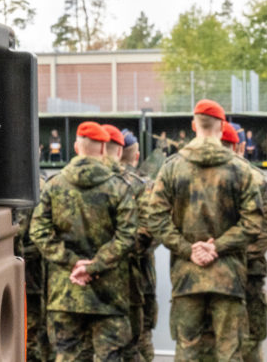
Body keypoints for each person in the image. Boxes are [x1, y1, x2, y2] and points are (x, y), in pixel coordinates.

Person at [145, 99, 263, 361]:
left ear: (193, 125)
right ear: (223, 126)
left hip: (187, 277)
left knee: (187, 350)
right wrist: (217, 247)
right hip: (229, 277)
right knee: (230, 351)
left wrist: (188, 249)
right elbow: (254, 222)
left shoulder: (172, 167)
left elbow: (155, 218)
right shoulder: (241, 169)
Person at [30, 121, 137, 361]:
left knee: (67, 355)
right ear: (103, 150)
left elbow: (38, 231)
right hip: (109, 295)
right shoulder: (119, 188)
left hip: (65, 292)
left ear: (77, 147)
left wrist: (72, 263)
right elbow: (128, 235)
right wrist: (94, 266)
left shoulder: (54, 185)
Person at [222, 124, 267, 362]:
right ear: (241, 146)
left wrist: (210, 253)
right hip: (249, 271)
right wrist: (245, 255)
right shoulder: (256, 178)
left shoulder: (185, 174)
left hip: (204, 271)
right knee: (249, 340)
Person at [121, 128, 157, 361]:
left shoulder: (106, 182)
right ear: (136, 155)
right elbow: (154, 230)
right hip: (140, 275)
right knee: (141, 336)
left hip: (98, 279)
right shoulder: (143, 185)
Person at [15, 173, 51, 362]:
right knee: (33, 326)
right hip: (32, 268)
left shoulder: (16, 182)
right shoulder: (36, 184)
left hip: (24, 265)